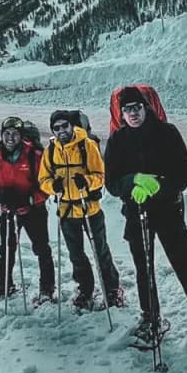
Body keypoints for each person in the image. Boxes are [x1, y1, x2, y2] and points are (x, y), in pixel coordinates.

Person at [104, 85, 187, 348]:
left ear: (146, 108)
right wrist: (132, 182)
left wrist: (159, 185)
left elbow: (185, 174)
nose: (133, 113)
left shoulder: (166, 133)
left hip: (168, 211)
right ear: (121, 113)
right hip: (136, 214)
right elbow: (111, 182)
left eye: (137, 108)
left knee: (184, 266)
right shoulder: (118, 140)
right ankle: (151, 319)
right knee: (144, 269)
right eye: (127, 110)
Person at [39, 110, 124, 310]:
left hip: (89, 209)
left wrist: (86, 181)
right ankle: (85, 289)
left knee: (100, 250)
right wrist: (53, 186)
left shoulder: (88, 146)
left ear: (71, 126)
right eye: (56, 128)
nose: (61, 131)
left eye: (64, 126)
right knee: (76, 254)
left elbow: (100, 175)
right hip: (67, 211)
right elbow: (43, 179)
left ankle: (112, 289)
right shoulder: (50, 150)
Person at [0, 116, 55, 306]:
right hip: (8, 211)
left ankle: (47, 289)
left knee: (42, 248)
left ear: (21, 136)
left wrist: (30, 200)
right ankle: (4, 286)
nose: (11, 138)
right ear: (2, 135)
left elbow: (46, 185)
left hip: (33, 210)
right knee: (7, 249)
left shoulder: (34, 156)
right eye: (7, 134)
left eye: (15, 134)